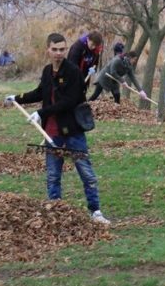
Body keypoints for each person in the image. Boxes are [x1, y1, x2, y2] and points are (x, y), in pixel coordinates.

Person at [6, 33, 109, 225]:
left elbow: (69, 102)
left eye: (62, 49)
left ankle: (95, 211)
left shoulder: (73, 72)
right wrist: (17, 97)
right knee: (53, 175)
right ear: (48, 49)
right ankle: (55, 211)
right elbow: (39, 92)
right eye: (55, 49)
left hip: (73, 133)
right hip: (51, 132)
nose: (58, 53)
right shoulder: (47, 71)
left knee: (86, 172)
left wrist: (41, 113)